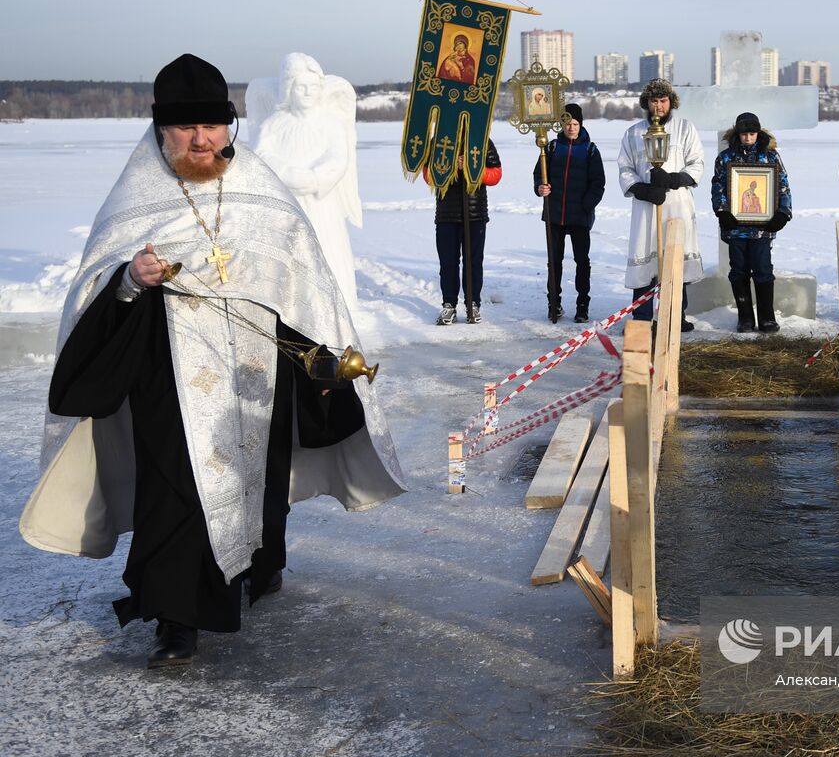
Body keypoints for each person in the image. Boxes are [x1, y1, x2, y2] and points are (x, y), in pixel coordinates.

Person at [19, 54, 406, 668]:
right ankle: (176, 620)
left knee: (263, 474)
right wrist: (129, 278)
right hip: (169, 369)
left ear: (229, 125)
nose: (201, 141)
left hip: (259, 364)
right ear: (160, 129)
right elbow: (96, 284)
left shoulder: (257, 185)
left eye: (212, 127)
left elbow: (305, 274)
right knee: (175, 488)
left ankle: (262, 563)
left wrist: (320, 355)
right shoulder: (137, 194)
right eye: (185, 129)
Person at [249, 52, 363, 318]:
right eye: (301, 87)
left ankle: (334, 311)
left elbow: (338, 160)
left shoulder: (331, 124)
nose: (308, 93)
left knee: (327, 252)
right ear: (289, 89)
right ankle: (287, 310)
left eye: (313, 87)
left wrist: (313, 179)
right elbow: (260, 156)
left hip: (322, 206)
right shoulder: (274, 124)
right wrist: (289, 174)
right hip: (287, 203)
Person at [617, 78, 705, 329]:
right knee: (646, 257)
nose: (658, 106)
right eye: (654, 101)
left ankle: (675, 315)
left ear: (671, 102)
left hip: (676, 204)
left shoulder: (685, 128)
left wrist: (674, 179)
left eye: (663, 101)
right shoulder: (633, 132)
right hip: (647, 207)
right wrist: (642, 189)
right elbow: (625, 167)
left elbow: (697, 163)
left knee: (675, 258)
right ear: (647, 102)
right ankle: (643, 317)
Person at [711, 112, 793, 333]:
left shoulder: (771, 157)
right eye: (744, 134)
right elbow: (718, 186)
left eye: (752, 133)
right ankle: (745, 318)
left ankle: (767, 317)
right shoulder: (725, 158)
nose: (748, 138)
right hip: (735, 228)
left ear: (758, 133)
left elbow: (783, 185)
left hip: (762, 229)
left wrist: (783, 213)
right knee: (738, 271)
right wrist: (722, 211)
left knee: (763, 269)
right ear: (737, 134)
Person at [534, 103, 605, 323]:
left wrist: (586, 206)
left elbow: (598, 183)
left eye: (575, 124)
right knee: (554, 261)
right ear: (562, 125)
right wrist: (540, 188)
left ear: (580, 124)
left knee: (581, 261)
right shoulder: (552, 148)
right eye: (567, 124)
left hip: (580, 217)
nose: (571, 128)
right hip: (554, 214)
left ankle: (582, 305)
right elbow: (539, 174)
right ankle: (553, 304)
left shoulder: (590, 150)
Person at [429, 141, 501, 324]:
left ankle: (472, 303)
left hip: (474, 212)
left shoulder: (482, 139)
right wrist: (453, 167)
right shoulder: (438, 140)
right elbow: (429, 175)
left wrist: (471, 168)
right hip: (447, 213)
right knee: (448, 263)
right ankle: (449, 305)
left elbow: (495, 175)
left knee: (473, 262)